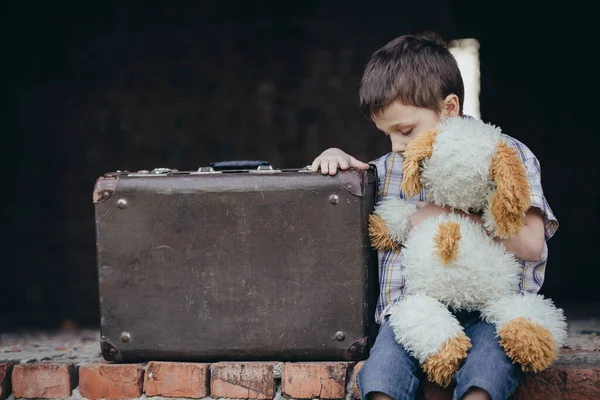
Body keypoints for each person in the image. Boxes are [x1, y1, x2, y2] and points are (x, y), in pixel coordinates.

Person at [310, 32, 559, 400]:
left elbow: (532, 244)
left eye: (406, 130)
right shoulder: (384, 170)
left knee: (486, 374)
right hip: (413, 316)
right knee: (379, 378)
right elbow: (323, 208)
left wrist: (447, 215)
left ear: (449, 108)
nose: (396, 145)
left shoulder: (507, 156)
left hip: (492, 310)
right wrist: (333, 159)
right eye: (386, 133)